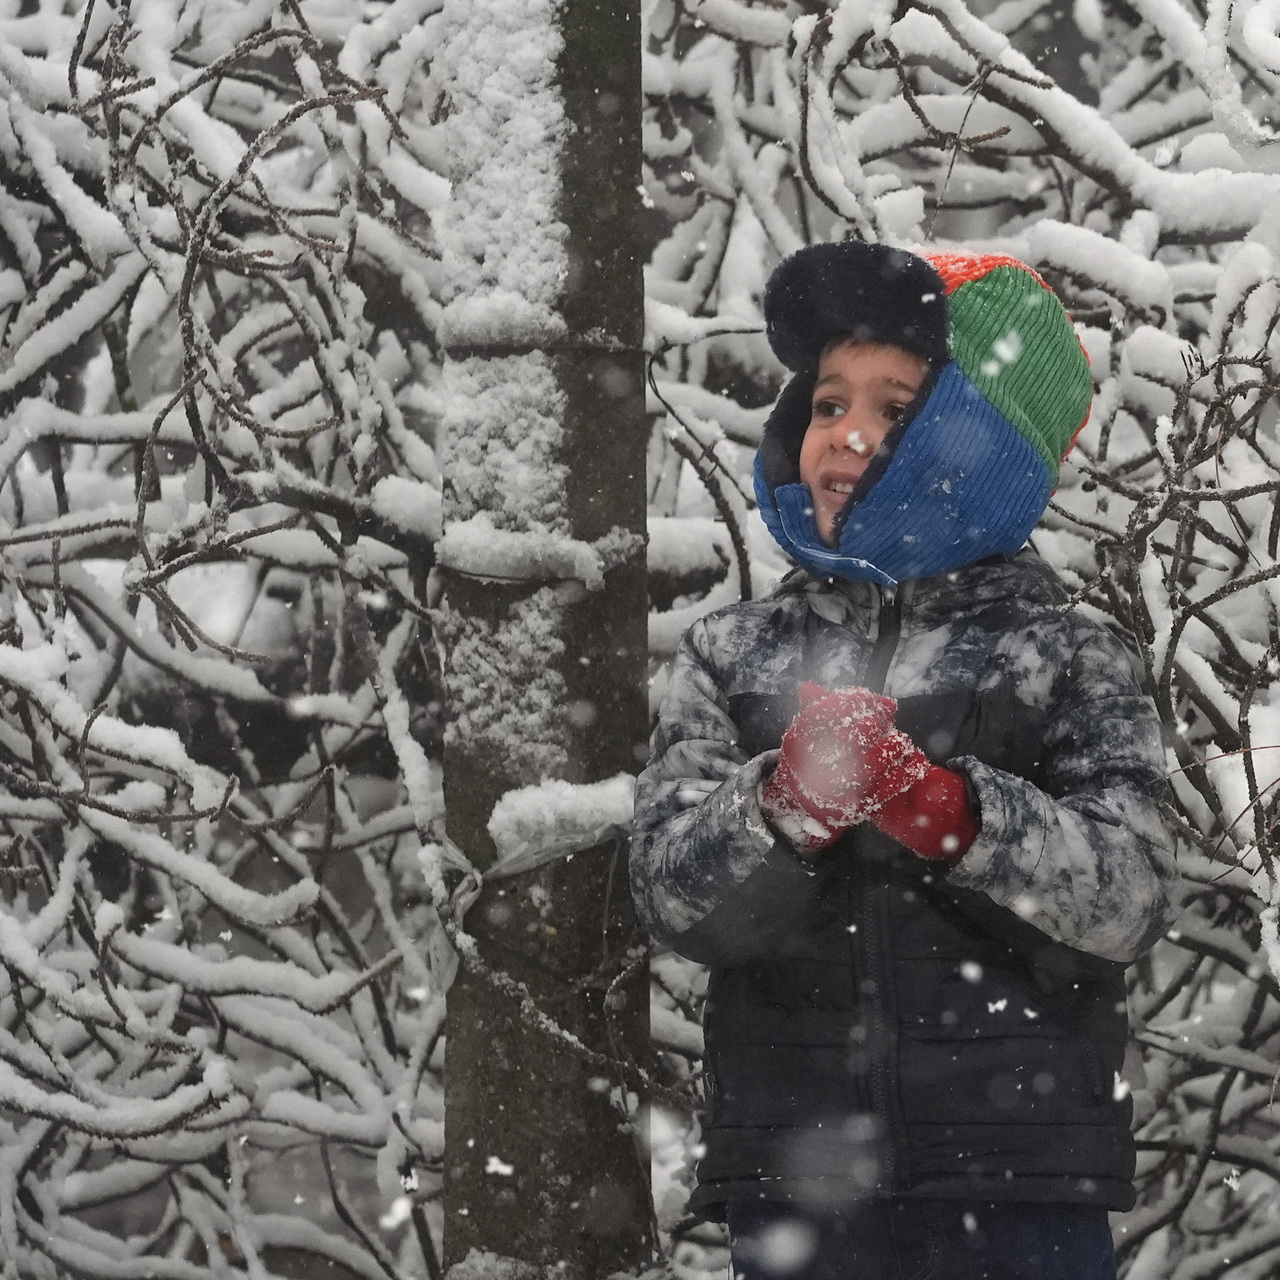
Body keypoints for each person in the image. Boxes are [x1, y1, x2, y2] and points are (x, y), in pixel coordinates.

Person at [631, 243, 1180, 1280]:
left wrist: (953, 814)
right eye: (827, 401)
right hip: (797, 1183)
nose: (844, 433)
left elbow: (1133, 895)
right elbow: (671, 895)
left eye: (893, 409)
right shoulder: (736, 652)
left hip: (1018, 1180)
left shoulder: (1060, 652)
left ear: (984, 443)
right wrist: (781, 804)